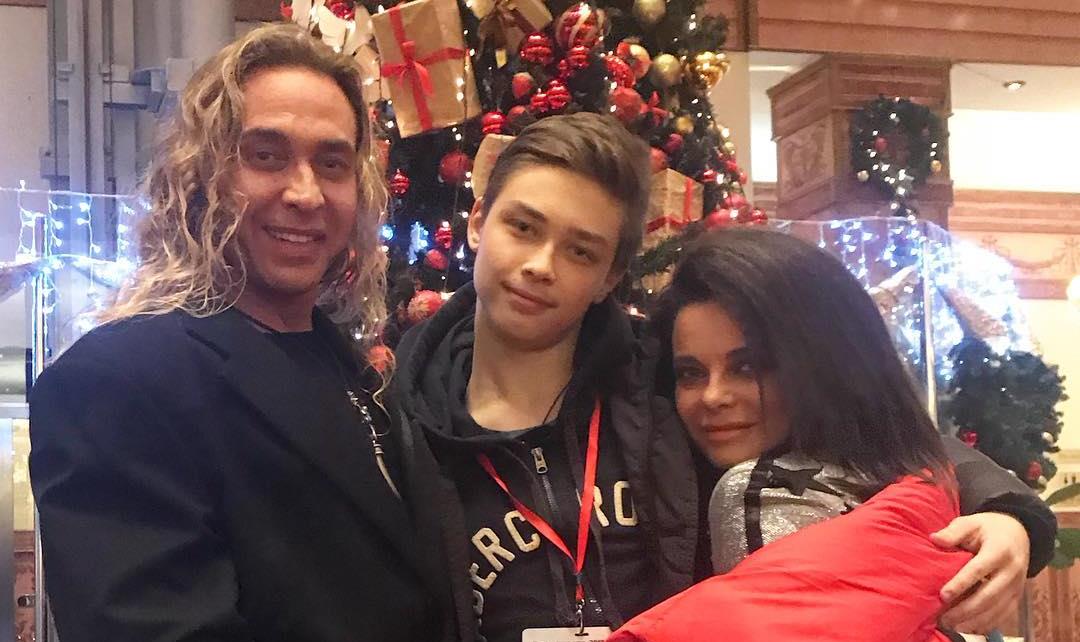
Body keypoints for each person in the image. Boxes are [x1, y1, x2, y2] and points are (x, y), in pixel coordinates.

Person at [393, 112, 1057, 642]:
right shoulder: (397, 423)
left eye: (580, 250)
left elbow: (873, 428)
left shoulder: (664, 381)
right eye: (523, 227)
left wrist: (1008, 514)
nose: (541, 265)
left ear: (611, 277)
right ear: (477, 222)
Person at [29, 24, 452, 642]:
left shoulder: (356, 370)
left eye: (332, 163)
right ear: (203, 176)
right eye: (266, 156)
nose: (306, 193)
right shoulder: (116, 381)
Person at [609, 228, 1011, 642]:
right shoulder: (920, 484)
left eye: (747, 367)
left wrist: (1009, 513)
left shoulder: (754, 493)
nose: (713, 396)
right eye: (690, 373)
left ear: (823, 365)